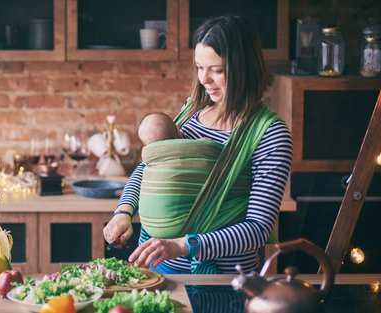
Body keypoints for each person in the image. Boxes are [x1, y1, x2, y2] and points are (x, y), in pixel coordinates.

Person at [103, 15, 293, 274]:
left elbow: (257, 229)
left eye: (217, 69)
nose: (204, 79)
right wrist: (123, 211)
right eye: (199, 67)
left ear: (244, 67)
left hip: (220, 281)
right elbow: (149, 167)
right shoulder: (192, 110)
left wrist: (183, 246)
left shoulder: (270, 134)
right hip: (156, 272)